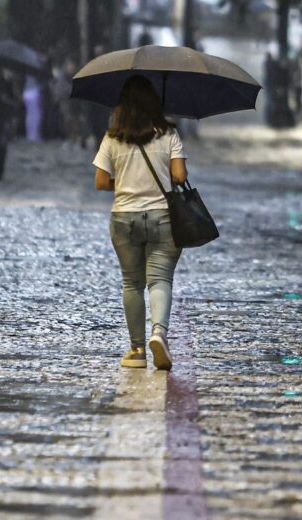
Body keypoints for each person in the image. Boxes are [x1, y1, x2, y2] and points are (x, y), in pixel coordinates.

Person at [93, 75, 188, 371]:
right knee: (160, 279)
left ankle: (136, 350)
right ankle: (158, 333)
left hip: (124, 217)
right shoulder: (168, 133)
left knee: (132, 283)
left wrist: (124, 182)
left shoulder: (112, 137)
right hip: (162, 216)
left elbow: (100, 181)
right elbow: (180, 177)